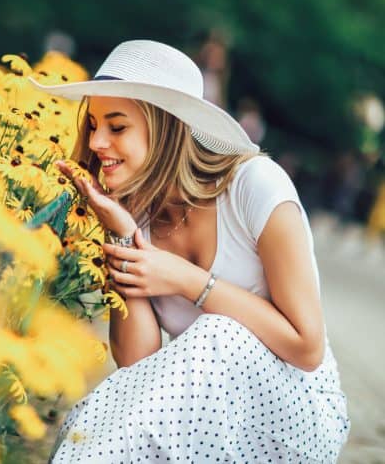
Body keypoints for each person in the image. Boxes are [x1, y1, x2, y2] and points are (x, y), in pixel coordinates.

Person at [29, 40, 350, 463]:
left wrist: (186, 279)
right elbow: (137, 361)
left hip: (297, 413)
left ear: (166, 128)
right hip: (206, 415)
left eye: (117, 126)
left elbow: (306, 347)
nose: (97, 142)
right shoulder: (135, 210)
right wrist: (123, 235)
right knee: (133, 406)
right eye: (92, 125)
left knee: (217, 334)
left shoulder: (255, 187)